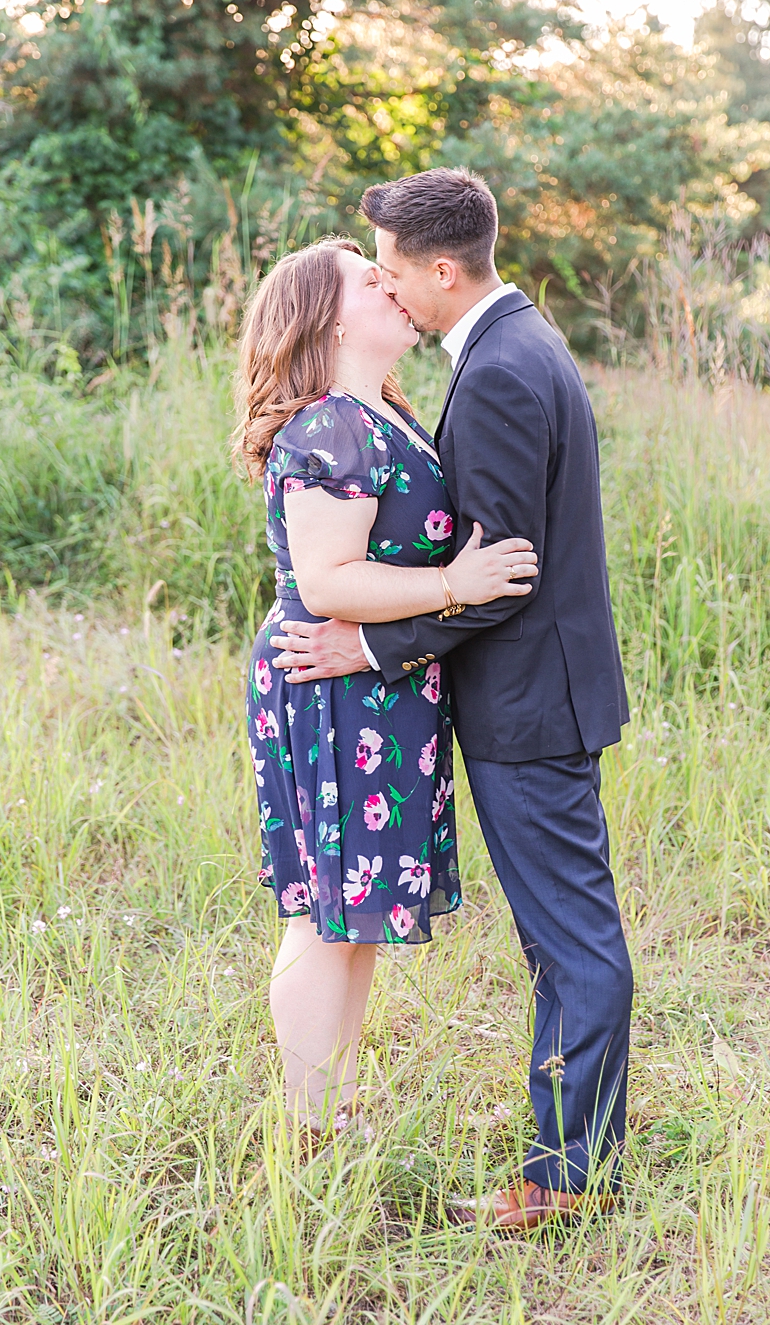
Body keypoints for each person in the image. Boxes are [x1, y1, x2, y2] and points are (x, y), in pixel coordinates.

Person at [269, 168, 634, 1228]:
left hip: (529, 702)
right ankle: (580, 1148)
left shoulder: (500, 372)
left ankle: (568, 1178)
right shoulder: (507, 348)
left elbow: (495, 574)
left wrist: (369, 645)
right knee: (563, 937)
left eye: (387, 268)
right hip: (531, 695)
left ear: (438, 268)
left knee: (570, 940)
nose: (384, 287)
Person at [231, 235, 539, 1141]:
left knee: (354, 909)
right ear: (328, 318)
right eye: (372, 279)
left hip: (375, 682)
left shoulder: (384, 412)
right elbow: (327, 581)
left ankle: (335, 1104)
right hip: (329, 678)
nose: (393, 284)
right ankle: (311, 1123)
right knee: (326, 912)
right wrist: (456, 586)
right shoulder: (329, 424)